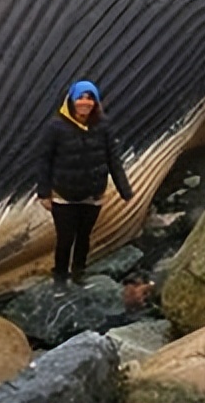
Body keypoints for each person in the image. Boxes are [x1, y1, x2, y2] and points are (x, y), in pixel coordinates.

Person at [37, 80, 133, 286]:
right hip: (65, 195)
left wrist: (125, 191)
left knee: (84, 237)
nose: (85, 102)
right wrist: (44, 193)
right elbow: (44, 159)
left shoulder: (102, 125)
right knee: (65, 240)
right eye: (80, 97)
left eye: (90, 98)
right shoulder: (56, 127)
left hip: (93, 194)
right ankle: (60, 278)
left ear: (96, 102)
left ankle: (79, 274)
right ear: (71, 100)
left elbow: (112, 158)